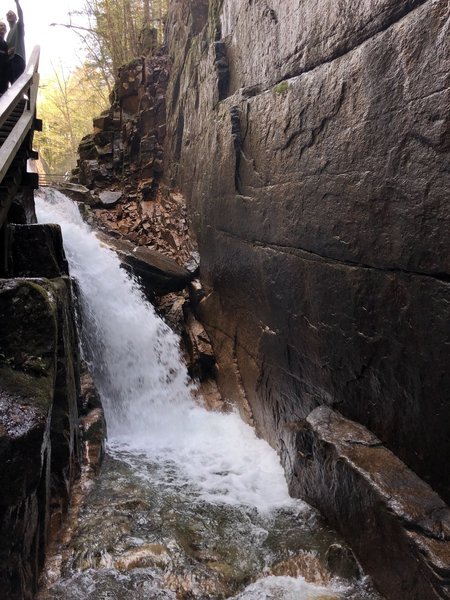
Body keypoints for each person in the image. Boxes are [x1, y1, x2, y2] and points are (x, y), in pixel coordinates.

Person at [6, 0, 25, 83]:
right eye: (8, 14)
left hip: (18, 57)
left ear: (15, 17)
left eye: (12, 14)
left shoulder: (18, 26)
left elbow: (21, 15)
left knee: (18, 84)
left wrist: (17, 3)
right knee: (13, 85)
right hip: (10, 61)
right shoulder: (8, 34)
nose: (9, 15)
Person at [0, 21, 10, 94]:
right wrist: (6, 53)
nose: (2, 27)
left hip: (3, 78)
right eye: (0, 26)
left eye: (4, 26)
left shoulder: (6, 44)